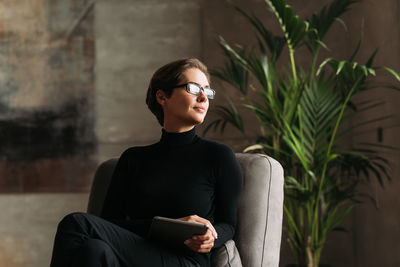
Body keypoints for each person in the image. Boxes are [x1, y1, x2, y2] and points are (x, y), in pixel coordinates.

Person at [50, 58, 243, 267]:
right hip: (136, 254)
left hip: (185, 261)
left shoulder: (218, 155)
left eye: (207, 90)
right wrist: (163, 226)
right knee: (94, 249)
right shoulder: (133, 159)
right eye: (194, 88)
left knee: (76, 223)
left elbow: (229, 224)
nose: (204, 97)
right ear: (162, 96)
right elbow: (108, 225)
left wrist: (211, 237)